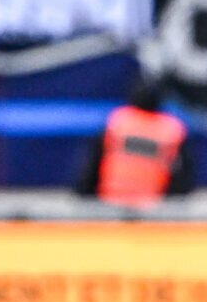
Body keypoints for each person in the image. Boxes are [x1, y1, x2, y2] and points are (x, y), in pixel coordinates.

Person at [76, 78, 194, 208]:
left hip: (111, 200)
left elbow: (92, 166)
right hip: (152, 206)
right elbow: (183, 178)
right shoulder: (172, 130)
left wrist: (84, 200)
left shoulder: (117, 122)